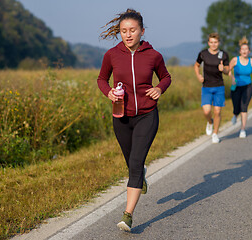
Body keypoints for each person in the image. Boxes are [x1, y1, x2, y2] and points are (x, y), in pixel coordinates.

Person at [97, 9, 171, 232]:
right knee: (132, 164)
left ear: (142, 31)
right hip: (121, 117)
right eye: (123, 31)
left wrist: (159, 88)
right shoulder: (111, 55)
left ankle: (127, 215)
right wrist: (108, 92)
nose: (128, 35)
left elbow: (166, 77)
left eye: (132, 30)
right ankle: (139, 177)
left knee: (136, 165)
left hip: (147, 115)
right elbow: (101, 79)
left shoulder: (153, 55)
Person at [194, 33, 229, 143]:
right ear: (208, 43)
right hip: (207, 87)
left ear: (218, 43)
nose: (213, 44)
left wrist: (223, 69)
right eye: (211, 42)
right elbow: (196, 65)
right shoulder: (203, 54)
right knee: (206, 111)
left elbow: (228, 71)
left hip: (219, 86)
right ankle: (210, 122)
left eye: (216, 42)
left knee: (217, 111)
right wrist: (199, 75)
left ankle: (215, 133)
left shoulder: (224, 55)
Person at [229, 36, 252, 138]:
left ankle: (242, 129)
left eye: (246, 49)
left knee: (244, 107)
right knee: (236, 107)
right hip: (236, 86)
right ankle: (235, 115)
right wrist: (232, 77)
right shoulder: (234, 60)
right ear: (240, 51)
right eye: (243, 49)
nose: (245, 51)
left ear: (249, 51)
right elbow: (227, 70)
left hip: (248, 87)